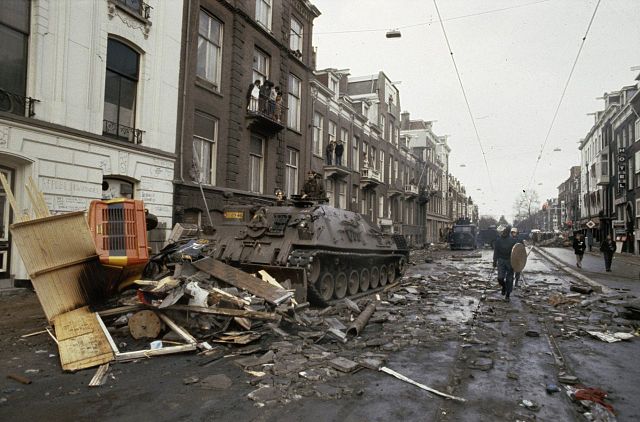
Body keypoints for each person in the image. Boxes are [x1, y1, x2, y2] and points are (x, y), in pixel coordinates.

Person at [493, 225, 518, 301]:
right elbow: (496, 251)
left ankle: (508, 295)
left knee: (509, 279)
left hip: (510, 261)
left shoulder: (513, 241)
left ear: (507, 233)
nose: (504, 233)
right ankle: (504, 286)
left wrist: (517, 262)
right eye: (503, 232)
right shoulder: (498, 240)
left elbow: (516, 252)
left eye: (505, 232)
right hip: (501, 260)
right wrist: (494, 261)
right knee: (500, 278)